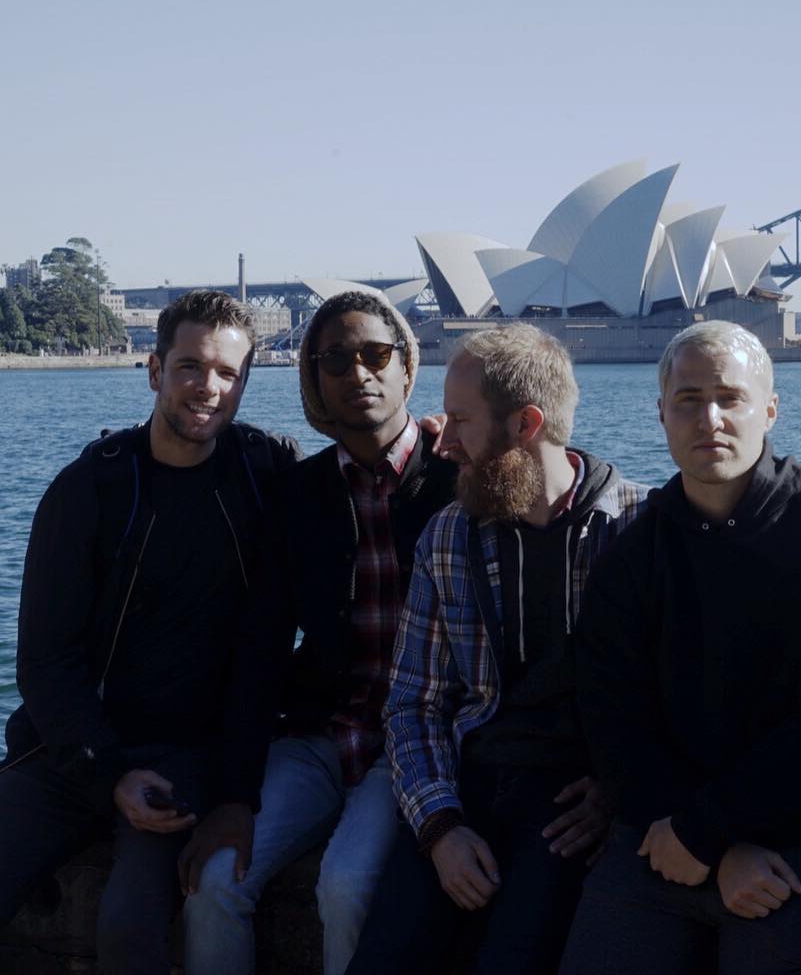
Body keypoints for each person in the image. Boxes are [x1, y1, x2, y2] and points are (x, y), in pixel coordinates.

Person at [559, 319, 801, 975]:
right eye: (688, 400)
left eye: (730, 398)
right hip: (659, 834)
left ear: (768, 409)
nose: (709, 417)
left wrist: (709, 831)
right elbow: (611, 715)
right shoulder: (633, 554)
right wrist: (696, 836)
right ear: (661, 414)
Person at [0, 290, 300, 974]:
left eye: (229, 373)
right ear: (154, 369)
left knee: (132, 926)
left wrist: (437, 442)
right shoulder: (91, 489)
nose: (209, 388)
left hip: (185, 756)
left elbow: (357, 487)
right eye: (190, 366)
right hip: (72, 747)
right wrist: (106, 773)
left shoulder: (264, 474)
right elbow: (45, 660)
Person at [346, 322, 648, 975]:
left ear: (526, 425)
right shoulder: (450, 535)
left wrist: (616, 790)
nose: (442, 442)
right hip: (468, 788)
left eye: (460, 421)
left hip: (572, 807)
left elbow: (674, 700)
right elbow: (412, 704)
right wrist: (440, 827)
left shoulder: (636, 533)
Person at [180, 290, 457, 975]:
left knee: (347, 885)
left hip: (413, 744)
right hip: (319, 735)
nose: (357, 373)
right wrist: (234, 798)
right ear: (316, 381)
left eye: (376, 355)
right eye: (335, 360)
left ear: (407, 370)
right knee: (216, 879)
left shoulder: (460, 480)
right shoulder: (297, 495)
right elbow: (260, 649)